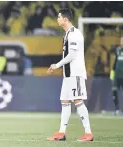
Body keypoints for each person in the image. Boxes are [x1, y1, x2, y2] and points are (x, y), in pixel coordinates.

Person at [47, 8, 93, 142]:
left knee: (78, 101)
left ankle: (88, 133)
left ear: (65, 19)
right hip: (68, 75)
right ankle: (61, 132)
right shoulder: (67, 34)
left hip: (75, 74)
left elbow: (72, 55)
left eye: (59, 17)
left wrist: (57, 65)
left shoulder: (75, 34)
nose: (57, 19)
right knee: (65, 101)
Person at [110, 36, 123, 115]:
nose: (122, 41)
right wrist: (112, 72)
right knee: (114, 90)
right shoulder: (117, 50)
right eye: (121, 40)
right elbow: (115, 62)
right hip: (117, 75)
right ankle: (116, 109)